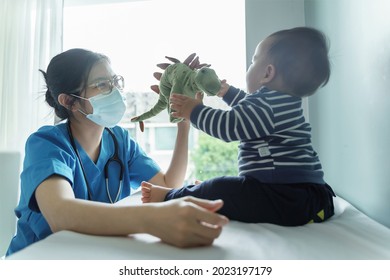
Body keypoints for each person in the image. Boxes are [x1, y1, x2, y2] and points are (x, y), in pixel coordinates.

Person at [6, 48, 228, 257]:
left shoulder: (118, 140)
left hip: (93, 256)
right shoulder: (46, 144)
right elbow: (61, 214)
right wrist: (151, 219)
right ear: (70, 101)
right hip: (40, 260)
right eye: (102, 85)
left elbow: (168, 185)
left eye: (115, 81)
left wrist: (183, 122)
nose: (115, 91)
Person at [141, 27, 336, 226]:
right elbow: (249, 110)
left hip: (285, 196)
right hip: (311, 198)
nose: (249, 66)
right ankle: (205, 195)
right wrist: (226, 92)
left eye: (253, 61)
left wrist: (194, 111)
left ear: (267, 73)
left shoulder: (267, 107)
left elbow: (229, 126)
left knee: (221, 188)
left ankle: (172, 198)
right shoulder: (278, 104)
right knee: (229, 190)